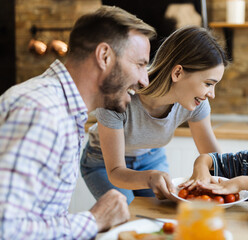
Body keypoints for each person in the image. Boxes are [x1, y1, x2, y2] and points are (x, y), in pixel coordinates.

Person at [0, 6, 156, 239]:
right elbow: (5, 227)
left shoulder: (62, 109)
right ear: (104, 56)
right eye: (140, 64)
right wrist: (94, 219)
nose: (144, 80)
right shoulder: (42, 112)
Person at [80, 26, 229, 204]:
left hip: (151, 158)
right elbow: (115, 171)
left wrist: (226, 180)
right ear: (178, 73)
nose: (211, 94)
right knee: (126, 217)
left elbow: (215, 158)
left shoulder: (197, 103)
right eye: (208, 83)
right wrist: (149, 177)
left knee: (163, 212)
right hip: (103, 164)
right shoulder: (117, 97)